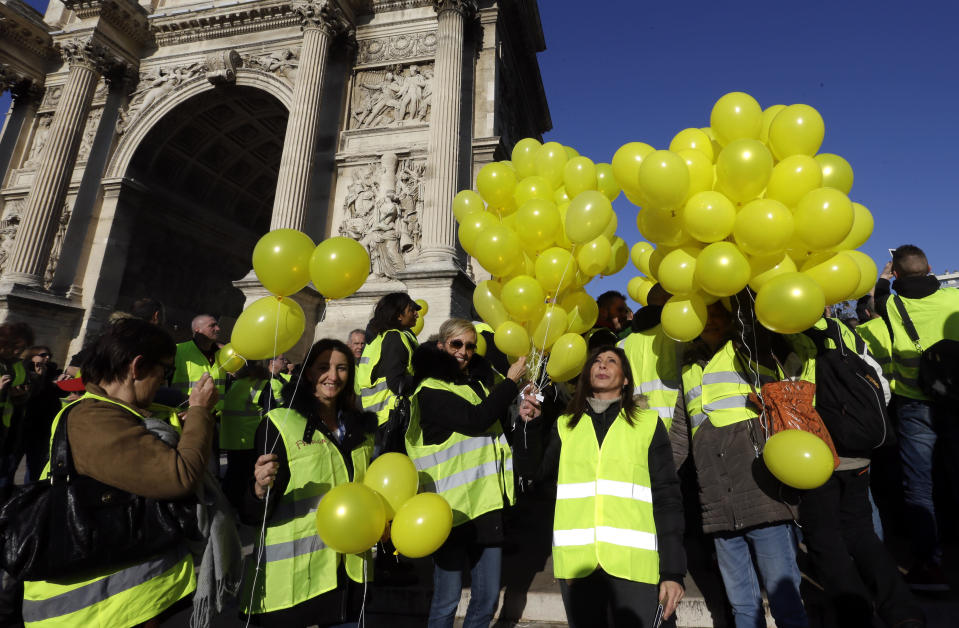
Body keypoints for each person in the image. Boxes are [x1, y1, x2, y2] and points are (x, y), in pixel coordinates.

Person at [21, 318, 219, 627]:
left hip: (119, 598)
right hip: (94, 610)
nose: (164, 382)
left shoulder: (113, 413)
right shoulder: (94, 417)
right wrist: (200, 412)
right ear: (137, 367)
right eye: (165, 371)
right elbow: (178, 476)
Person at [517, 345, 685, 628]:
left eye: (611, 361)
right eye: (596, 361)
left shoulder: (648, 423)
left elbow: (667, 498)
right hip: (578, 567)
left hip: (634, 567)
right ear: (586, 374)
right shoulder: (564, 425)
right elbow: (531, 473)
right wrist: (530, 425)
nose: (603, 365)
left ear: (626, 378)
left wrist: (673, 571)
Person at [671, 298, 808, 628]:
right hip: (717, 503)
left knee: (786, 602)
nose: (711, 321)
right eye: (706, 315)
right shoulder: (688, 368)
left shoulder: (750, 348)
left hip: (762, 496)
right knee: (743, 607)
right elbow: (679, 435)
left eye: (719, 314)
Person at [239, 339, 375, 627]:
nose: (333, 376)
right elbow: (251, 513)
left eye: (341, 368)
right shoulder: (278, 423)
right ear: (310, 373)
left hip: (348, 576)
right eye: (323, 367)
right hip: (292, 581)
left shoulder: (362, 431)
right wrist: (259, 490)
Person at [406, 319, 526, 628]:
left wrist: (522, 410)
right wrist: (510, 383)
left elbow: (493, 429)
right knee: (446, 601)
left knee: (485, 600)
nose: (464, 351)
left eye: (470, 345)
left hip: (485, 504)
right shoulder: (429, 389)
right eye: (457, 344)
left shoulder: (477, 382)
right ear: (441, 346)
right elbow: (476, 419)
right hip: (449, 509)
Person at [875, 244, 959, 591]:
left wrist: (883, 276)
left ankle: (930, 565)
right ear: (928, 269)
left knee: (919, 488)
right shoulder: (954, 301)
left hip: (914, 407)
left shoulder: (892, 305)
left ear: (896, 273)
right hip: (956, 404)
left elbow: (876, 297)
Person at [618, 284, 681, 429]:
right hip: (676, 426)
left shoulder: (622, 345)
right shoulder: (680, 337)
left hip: (636, 425)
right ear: (666, 300)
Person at [356, 293, 420, 428]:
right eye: (411, 310)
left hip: (381, 417)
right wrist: (424, 377)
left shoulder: (380, 337)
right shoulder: (394, 338)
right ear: (398, 315)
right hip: (392, 417)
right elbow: (396, 383)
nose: (416, 314)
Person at [19, 346, 64, 482]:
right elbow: (29, 395)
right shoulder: (23, 371)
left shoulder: (53, 372)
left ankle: (29, 495)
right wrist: (38, 378)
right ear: (32, 356)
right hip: (22, 424)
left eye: (49, 355)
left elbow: (62, 393)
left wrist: (61, 383)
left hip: (43, 426)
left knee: (35, 467)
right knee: (9, 465)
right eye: (43, 354)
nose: (47, 357)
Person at [0, 321, 33, 489]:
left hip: (10, 426)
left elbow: (23, 392)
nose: (17, 351)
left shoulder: (18, 365)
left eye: (22, 347)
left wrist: (21, 395)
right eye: (14, 347)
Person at [171, 314, 226, 408]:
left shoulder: (223, 353)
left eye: (217, 325)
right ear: (197, 329)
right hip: (185, 415)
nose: (218, 328)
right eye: (212, 325)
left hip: (216, 417)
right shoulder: (178, 350)